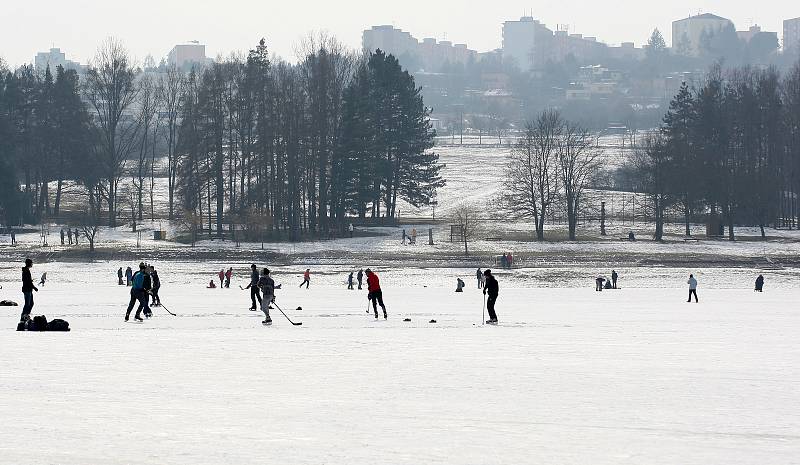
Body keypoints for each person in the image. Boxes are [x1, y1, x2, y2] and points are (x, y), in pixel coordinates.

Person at [20, 258, 38, 323]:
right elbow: (27, 281)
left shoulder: (26, 270)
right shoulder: (26, 271)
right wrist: (34, 287)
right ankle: (24, 316)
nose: (32, 264)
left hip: (28, 289)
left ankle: (26, 315)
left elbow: (27, 280)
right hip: (27, 289)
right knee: (27, 304)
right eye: (31, 263)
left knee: (30, 303)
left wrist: (31, 283)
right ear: (28, 263)